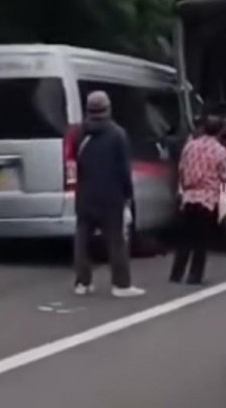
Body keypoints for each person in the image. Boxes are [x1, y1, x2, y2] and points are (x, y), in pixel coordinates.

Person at [74, 91, 144, 298]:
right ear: (108, 108)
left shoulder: (80, 134)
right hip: (111, 196)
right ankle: (121, 284)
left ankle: (82, 283)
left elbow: (76, 165)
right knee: (116, 241)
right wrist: (128, 195)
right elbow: (124, 169)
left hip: (85, 194)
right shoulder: (117, 134)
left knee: (82, 240)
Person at [170, 115, 226, 285]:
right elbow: (225, 179)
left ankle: (176, 274)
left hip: (189, 197)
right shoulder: (220, 151)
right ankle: (194, 276)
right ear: (219, 131)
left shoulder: (190, 147)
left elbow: (181, 170)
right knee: (201, 240)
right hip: (207, 200)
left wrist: (183, 190)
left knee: (184, 238)